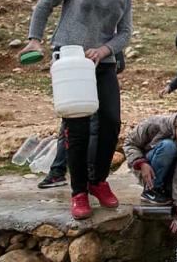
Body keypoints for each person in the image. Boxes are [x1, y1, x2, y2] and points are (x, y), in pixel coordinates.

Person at [20, 0, 146, 219]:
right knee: (76, 128)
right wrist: (34, 39)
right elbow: (45, 4)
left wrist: (104, 50)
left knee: (111, 122)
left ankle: (97, 181)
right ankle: (79, 192)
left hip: (103, 64)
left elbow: (124, 34)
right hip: (69, 61)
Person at [38, 52, 125, 189]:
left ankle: (87, 175)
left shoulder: (108, 43)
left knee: (92, 126)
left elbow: (118, 65)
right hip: (79, 84)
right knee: (70, 124)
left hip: (97, 85)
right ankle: (63, 172)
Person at [124, 107, 177, 227]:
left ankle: (168, 191)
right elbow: (129, 143)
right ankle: (152, 190)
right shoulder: (155, 124)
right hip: (148, 169)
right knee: (168, 147)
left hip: (169, 172)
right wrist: (141, 163)